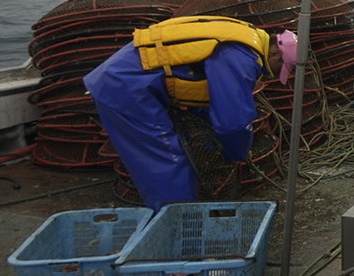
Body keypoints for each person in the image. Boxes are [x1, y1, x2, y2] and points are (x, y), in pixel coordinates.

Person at [84, 15, 297, 210]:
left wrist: (212, 142)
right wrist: (237, 153)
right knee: (169, 163)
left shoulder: (245, 41)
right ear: (276, 52)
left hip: (131, 82)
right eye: (281, 67)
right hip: (126, 87)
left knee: (174, 159)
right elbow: (233, 122)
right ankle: (177, 231)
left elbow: (202, 92)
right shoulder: (240, 57)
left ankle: (174, 220)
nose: (276, 74)